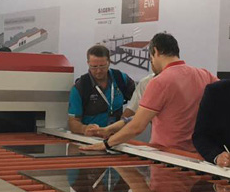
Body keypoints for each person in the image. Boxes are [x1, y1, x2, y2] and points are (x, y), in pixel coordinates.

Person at [81, 33, 216, 153]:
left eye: (151, 59)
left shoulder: (159, 81)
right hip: (197, 154)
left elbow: (137, 126)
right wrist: (110, 129)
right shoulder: (204, 75)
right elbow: (139, 117)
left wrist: (106, 144)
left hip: (167, 155)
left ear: (155, 51)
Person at [67, 45, 135, 136]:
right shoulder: (80, 87)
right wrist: (84, 128)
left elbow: (141, 98)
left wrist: (127, 116)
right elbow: (73, 123)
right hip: (92, 137)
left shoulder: (120, 78)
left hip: (117, 135)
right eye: (94, 67)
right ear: (88, 63)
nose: (98, 71)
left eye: (102, 66)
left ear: (109, 62)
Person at [94, 72, 154, 138]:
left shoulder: (121, 78)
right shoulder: (146, 82)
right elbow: (131, 111)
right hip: (156, 139)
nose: (98, 70)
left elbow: (141, 118)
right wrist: (114, 132)